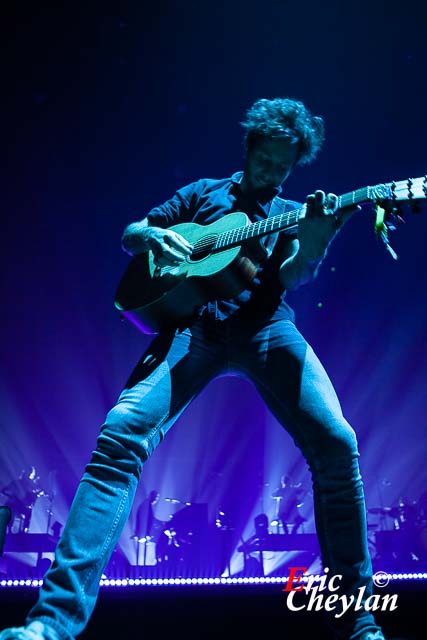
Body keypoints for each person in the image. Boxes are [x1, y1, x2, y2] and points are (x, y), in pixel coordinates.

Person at [0, 97, 387, 640]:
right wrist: (152, 236)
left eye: (284, 167)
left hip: (267, 327)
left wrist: (321, 232)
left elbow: (297, 275)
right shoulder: (204, 192)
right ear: (250, 149)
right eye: (266, 161)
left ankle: (360, 620)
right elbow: (135, 232)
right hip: (193, 327)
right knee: (119, 437)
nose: (273, 174)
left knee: (337, 443)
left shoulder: (291, 212)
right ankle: (51, 624)